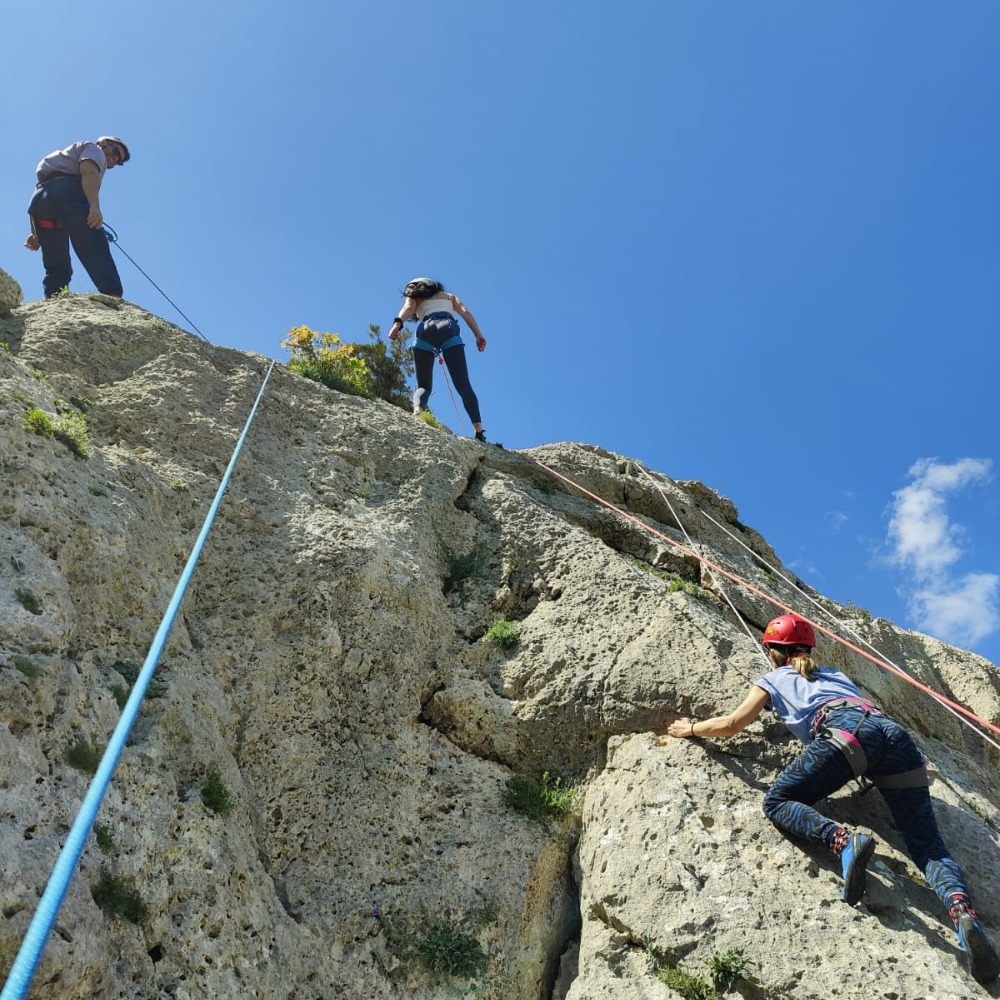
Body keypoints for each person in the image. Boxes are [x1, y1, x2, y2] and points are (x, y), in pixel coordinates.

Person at [664, 612, 1000, 984]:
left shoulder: (773, 679)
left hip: (847, 736)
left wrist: (690, 728)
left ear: (772, 652)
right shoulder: (837, 675)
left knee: (778, 801)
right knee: (927, 845)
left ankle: (844, 842)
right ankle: (963, 914)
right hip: (896, 739)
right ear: (808, 649)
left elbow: (732, 724)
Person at [24, 137, 130, 299]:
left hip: (41, 200)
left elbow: (40, 196)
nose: (114, 159)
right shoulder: (95, 150)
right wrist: (94, 207)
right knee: (93, 241)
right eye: (115, 151)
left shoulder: (60, 160)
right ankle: (112, 293)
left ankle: (54, 297)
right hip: (67, 193)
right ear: (103, 142)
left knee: (57, 264)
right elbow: (89, 171)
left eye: (119, 161)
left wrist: (35, 233)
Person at [387, 277, 488, 442]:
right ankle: (479, 429)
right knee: (463, 385)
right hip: (448, 327)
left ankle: (418, 412)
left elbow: (408, 307)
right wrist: (478, 335)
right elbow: (465, 312)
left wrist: (397, 324)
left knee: (423, 386)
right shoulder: (449, 296)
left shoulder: (415, 297)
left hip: (424, 331)